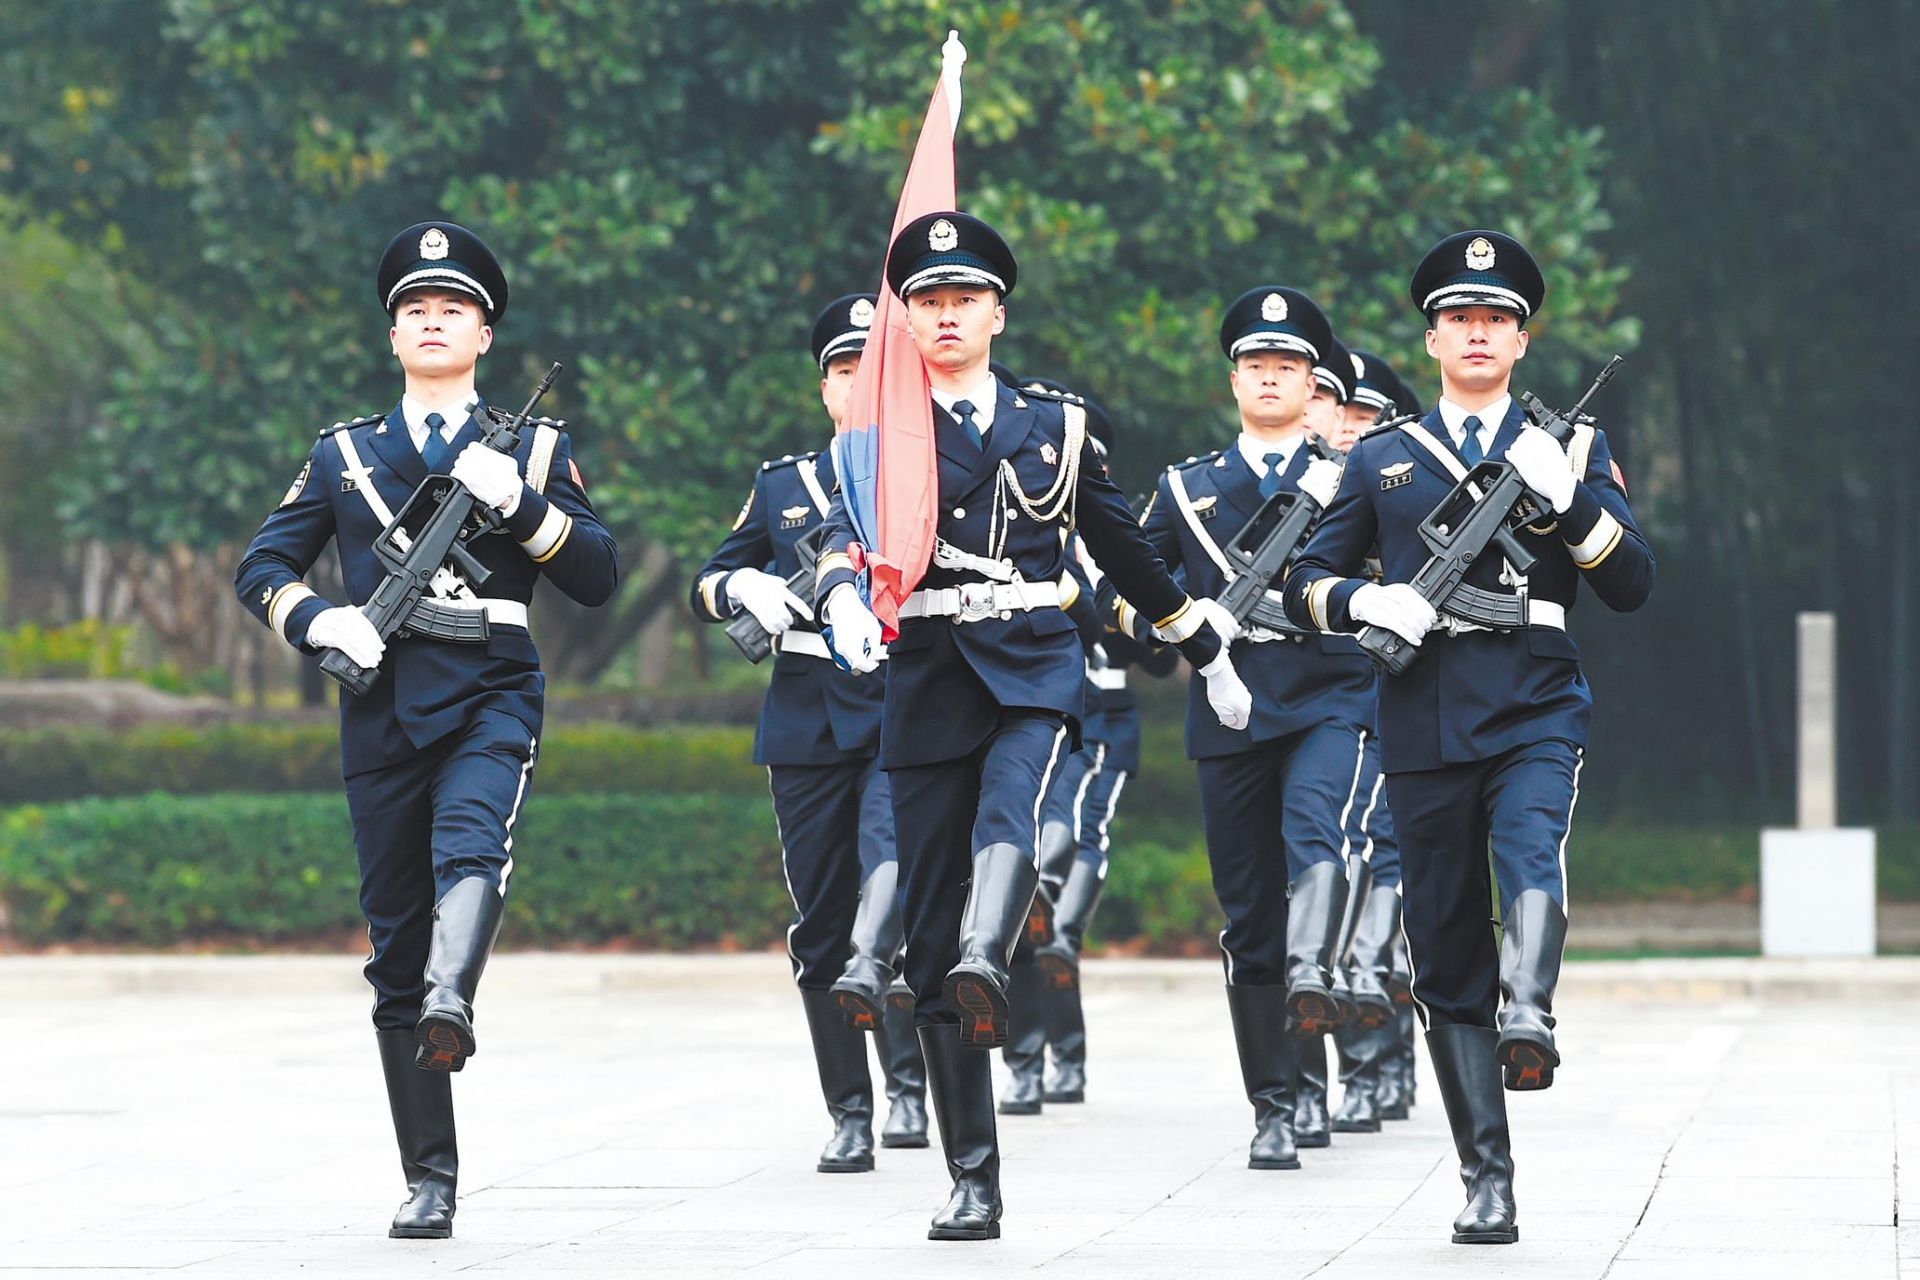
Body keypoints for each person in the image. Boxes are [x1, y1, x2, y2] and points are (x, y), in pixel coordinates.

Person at [814, 210, 1250, 1240]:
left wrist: (1202, 643)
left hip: (1028, 663)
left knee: (1015, 801)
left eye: (964, 297)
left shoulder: (1054, 423)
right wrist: (837, 596)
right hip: (924, 674)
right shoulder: (880, 432)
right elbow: (844, 534)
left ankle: (988, 950)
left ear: (998, 311)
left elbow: (1122, 542)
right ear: (905, 319)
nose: (946, 314)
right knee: (925, 920)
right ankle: (973, 1174)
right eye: (926, 300)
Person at [233, 221, 618, 1239]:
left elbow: (596, 576)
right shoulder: (344, 453)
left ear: (485, 334)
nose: (433, 320)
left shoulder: (533, 446)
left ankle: (458, 993)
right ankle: (430, 1172)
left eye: (453, 308)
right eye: (415, 309)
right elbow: (260, 568)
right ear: (393, 335)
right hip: (381, 708)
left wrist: (527, 510)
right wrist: (325, 618)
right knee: (393, 946)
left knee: (472, 839)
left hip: (491, 687)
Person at [1285, 229, 1654, 1244]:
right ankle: (1485, 1173)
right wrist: (1371, 596)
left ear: (1522, 339)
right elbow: (1301, 580)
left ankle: (1528, 1013)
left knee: (1533, 844)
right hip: (1423, 713)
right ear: (1435, 335)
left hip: (1536, 697)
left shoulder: (1568, 445)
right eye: (1460, 317)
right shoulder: (1381, 457)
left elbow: (1631, 582)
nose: (1478, 331)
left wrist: (1571, 500)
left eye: (1496, 317)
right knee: (1444, 938)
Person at [1107, 286, 1374, 1171]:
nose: (1270, 376)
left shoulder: (1350, 481)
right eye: (1255, 363)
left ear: (1312, 382)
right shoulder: (1186, 489)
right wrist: (1170, 630)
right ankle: (1278, 1099)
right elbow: (1127, 590)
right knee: (1250, 915)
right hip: (1229, 707)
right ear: (1233, 380)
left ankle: (1318, 976)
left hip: (1331, 691)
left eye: (1288, 365)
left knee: (1317, 832)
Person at [689, 294, 929, 1173]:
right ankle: (850, 1108)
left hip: (902, 705)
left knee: (888, 885)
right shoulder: (782, 483)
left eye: (871, 370)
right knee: (822, 924)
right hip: (805, 718)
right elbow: (709, 578)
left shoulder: (926, 476)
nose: (855, 385)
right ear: (824, 387)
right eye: (841, 370)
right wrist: (741, 590)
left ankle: (908, 1082)